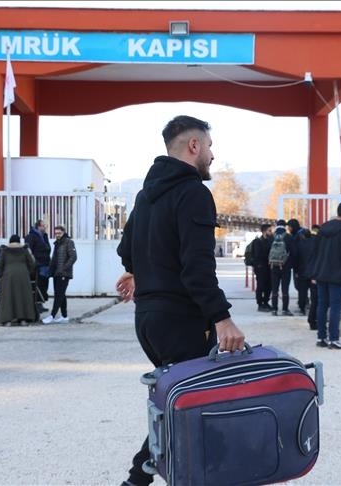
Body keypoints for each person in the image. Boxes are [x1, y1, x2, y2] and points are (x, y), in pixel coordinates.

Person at [115, 115, 246, 486]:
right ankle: (137, 479)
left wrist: (138, 273)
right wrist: (222, 318)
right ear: (193, 146)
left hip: (148, 320)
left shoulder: (146, 195)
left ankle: (140, 479)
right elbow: (197, 267)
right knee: (191, 406)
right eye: (209, 147)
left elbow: (127, 249)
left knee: (182, 404)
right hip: (180, 320)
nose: (212, 155)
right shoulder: (194, 193)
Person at [312, 201, 341, 349]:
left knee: (322, 305)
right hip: (338, 274)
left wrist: (315, 271)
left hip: (321, 272)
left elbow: (315, 251)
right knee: (336, 306)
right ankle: (334, 338)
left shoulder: (323, 228)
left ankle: (321, 337)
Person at [0, 235, 37, 325]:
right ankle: (23, 320)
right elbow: (31, 263)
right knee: (23, 297)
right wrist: (27, 272)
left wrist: (0, 275)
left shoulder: (5, 251)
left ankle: (7, 320)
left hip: (8, 276)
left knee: (8, 297)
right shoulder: (24, 250)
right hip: (23, 275)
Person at [43, 225, 77, 324]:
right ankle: (64, 316)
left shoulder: (68, 242)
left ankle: (52, 316)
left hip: (64, 273)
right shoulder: (57, 243)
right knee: (61, 294)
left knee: (59, 295)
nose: (57, 235)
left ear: (63, 232)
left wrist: (64, 268)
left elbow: (73, 257)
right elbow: (54, 258)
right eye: (56, 233)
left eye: (59, 233)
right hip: (56, 273)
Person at [269, 219, 295, 316]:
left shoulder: (271, 237)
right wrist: (290, 265)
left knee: (274, 289)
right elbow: (294, 252)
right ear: (285, 226)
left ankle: (274, 309)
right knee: (285, 289)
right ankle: (285, 309)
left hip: (273, 266)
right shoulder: (288, 237)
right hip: (285, 267)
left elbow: (267, 251)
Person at [26, 219, 52, 311]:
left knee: (44, 285)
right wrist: (34, 264)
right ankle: (36, 305)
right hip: (38, 266)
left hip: (45, 265)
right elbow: (29, 251)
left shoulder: (44, 236)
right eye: (43, 226)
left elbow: (47, 249)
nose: (45, 227)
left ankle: (40, 303)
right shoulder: (31, 236)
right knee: (38, 285)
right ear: (38, 227)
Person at [301, 224, 322, 331]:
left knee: (313, 299)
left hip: (306, 273)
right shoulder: (319, 244)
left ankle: (311, 319)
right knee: (317, 300)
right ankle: (314, 320)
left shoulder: (305, 243)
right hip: (316, 274)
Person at [288, 218, 309, 315]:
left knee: (300, 287)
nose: (288, 229)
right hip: (309, 266)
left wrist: (294, 267)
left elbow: (296, 254)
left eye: (289, 227)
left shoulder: (297, 237)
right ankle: (305, 302)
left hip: (301, 266)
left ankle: (303, 305)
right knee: (304, 287)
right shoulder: (303, 233)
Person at [251, 223, 274, 312]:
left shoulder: (270, 240)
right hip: (260, 268)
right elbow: (258, 255)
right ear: (264, 231)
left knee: (269, 286)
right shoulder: (257, 242)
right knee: (261, 286)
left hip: (269, 267)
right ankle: (260, 304)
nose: (271, 232)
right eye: (269, 231)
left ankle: (266, 302)